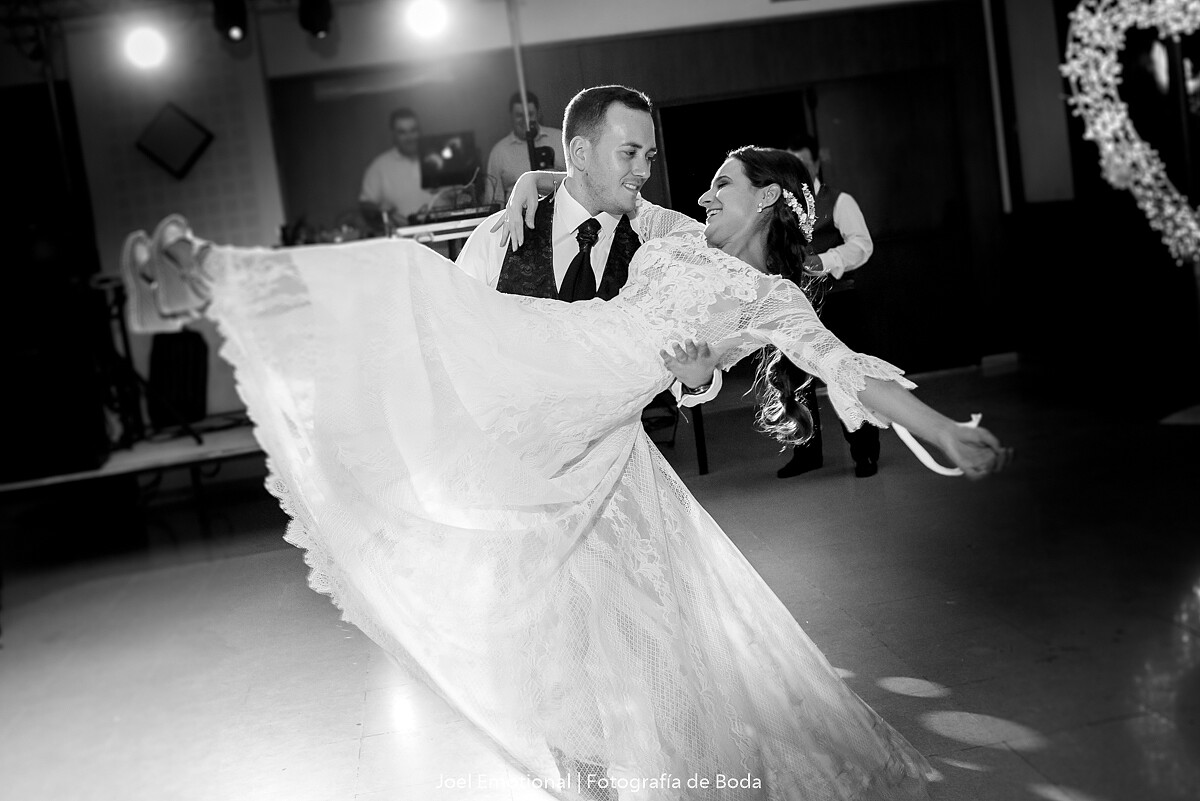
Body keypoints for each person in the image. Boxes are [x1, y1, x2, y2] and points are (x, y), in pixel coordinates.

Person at [124, 144, 1010, 800]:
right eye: (701, 183)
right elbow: (567, 179)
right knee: (406, 277)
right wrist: (519, 187)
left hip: (601, 422)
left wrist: (940, 428)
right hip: (557, 360)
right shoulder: (669, 234)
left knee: (584, 598)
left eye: (723, 184)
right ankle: (203, 278)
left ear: (767, 198)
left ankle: (591, 776)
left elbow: (849, 370)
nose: (700, 191)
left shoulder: (773, 300)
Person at [459, 85, 722, 407]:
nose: (643, 171)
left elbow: (679, 358)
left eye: (649, 157)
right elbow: (453, 340)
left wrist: (700, 382)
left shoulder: (651, 247)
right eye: (629, 153)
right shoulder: (498, 236)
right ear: (581, 153)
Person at [776, 133, 881, 479]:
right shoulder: (778, 205)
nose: (800, 169)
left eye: (804, 161)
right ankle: (806, 453)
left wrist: (826, 259)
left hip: (837, 304)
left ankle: (865, 453)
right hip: (794, 309)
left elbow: (862, 245)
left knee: (846, 378)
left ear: (816, 162)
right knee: (794, 382)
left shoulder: (839, 201)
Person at [483, 91, 567, 205]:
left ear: (538, 114)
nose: (525, 121)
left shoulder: (559, 138)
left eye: (530, 114)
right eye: (519, 115)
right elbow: (494, 200)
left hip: (560, 211)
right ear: (511, 117)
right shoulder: (499, 152)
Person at [358, 107, 435, 231]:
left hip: (446, 239)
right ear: (393, 134)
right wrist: (383, 213)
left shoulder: (437, 158)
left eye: (413, 130)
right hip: (401, 242)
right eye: (402, 132)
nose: (409, 137)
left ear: (420, 131)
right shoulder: (379, 166)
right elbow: (365, 205)